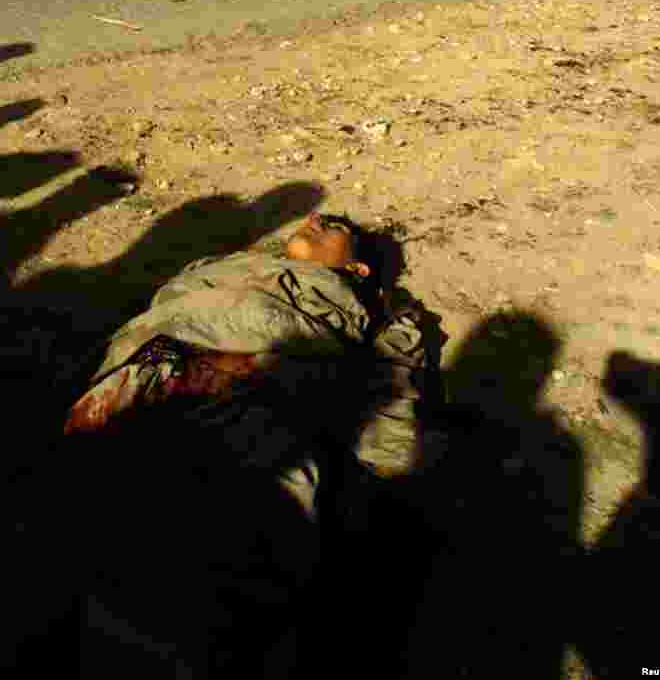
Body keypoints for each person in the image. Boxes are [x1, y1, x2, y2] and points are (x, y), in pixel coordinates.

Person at [63, 215, 446, 673]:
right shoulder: (217, 268)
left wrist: (374, 491)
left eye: (334, 225)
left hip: (239, 423)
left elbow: (392, 403)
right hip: (126, 396)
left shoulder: (357, 312)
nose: (313, 220)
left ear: (358, 269)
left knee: (197, 597)